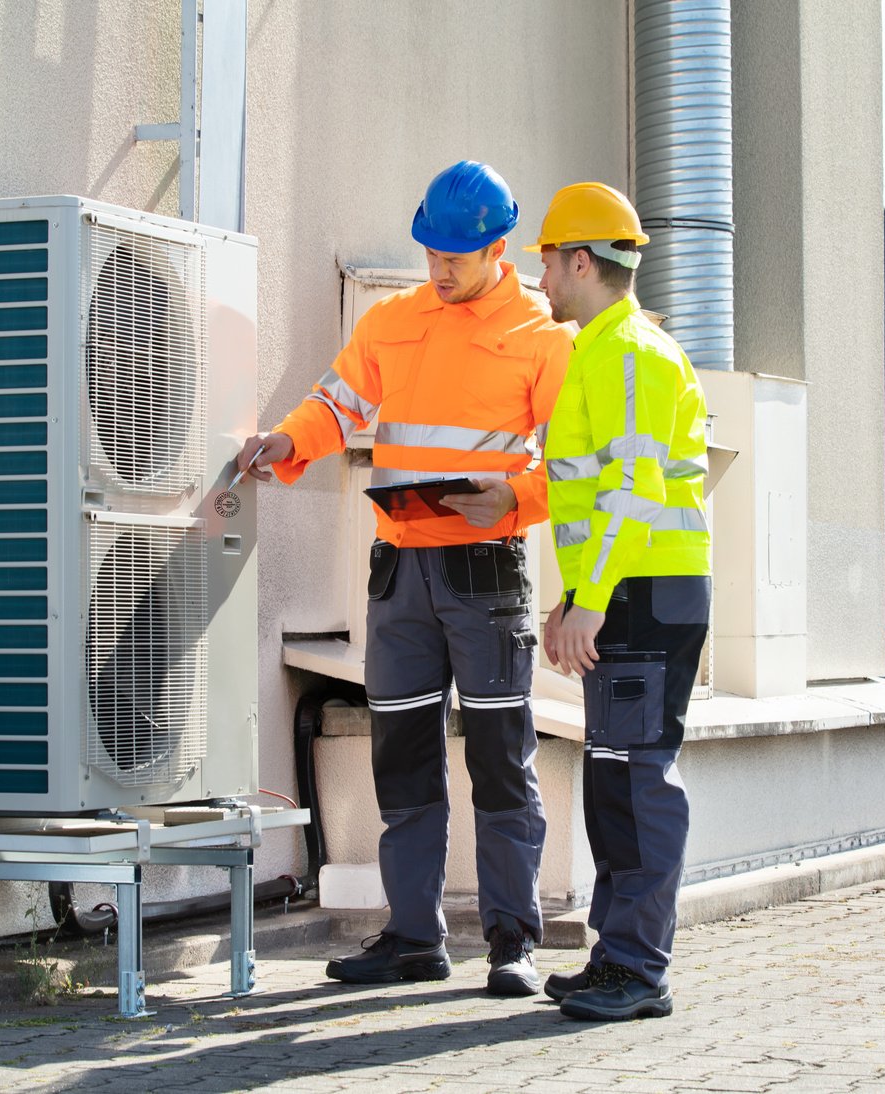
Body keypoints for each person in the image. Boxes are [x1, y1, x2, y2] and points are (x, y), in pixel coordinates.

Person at [236, 161, 571, 996]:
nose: (440, 268)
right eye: (431, 252)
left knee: (499, 761)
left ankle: (510, 944)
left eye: (457, 255)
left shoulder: (542, 335)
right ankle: (414, 938)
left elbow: (573, 468)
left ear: (498, 248)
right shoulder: (392, 321)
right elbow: (337, 403)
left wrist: (512, 498)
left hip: (485, 575)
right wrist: (287, 443)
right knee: (404, 761)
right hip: (399, 579)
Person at [529, 182, 711, 1021]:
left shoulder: (629, 352)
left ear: (579, 260)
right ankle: (616, 958)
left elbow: (632, 493)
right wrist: (574, 598)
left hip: (643, 595)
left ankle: (638, 970)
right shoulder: (604, 349)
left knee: (636, 781)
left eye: (545, 260)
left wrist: (590, 601)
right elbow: (595, 497)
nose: (540, 279)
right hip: (626, 592)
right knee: (613, 778)